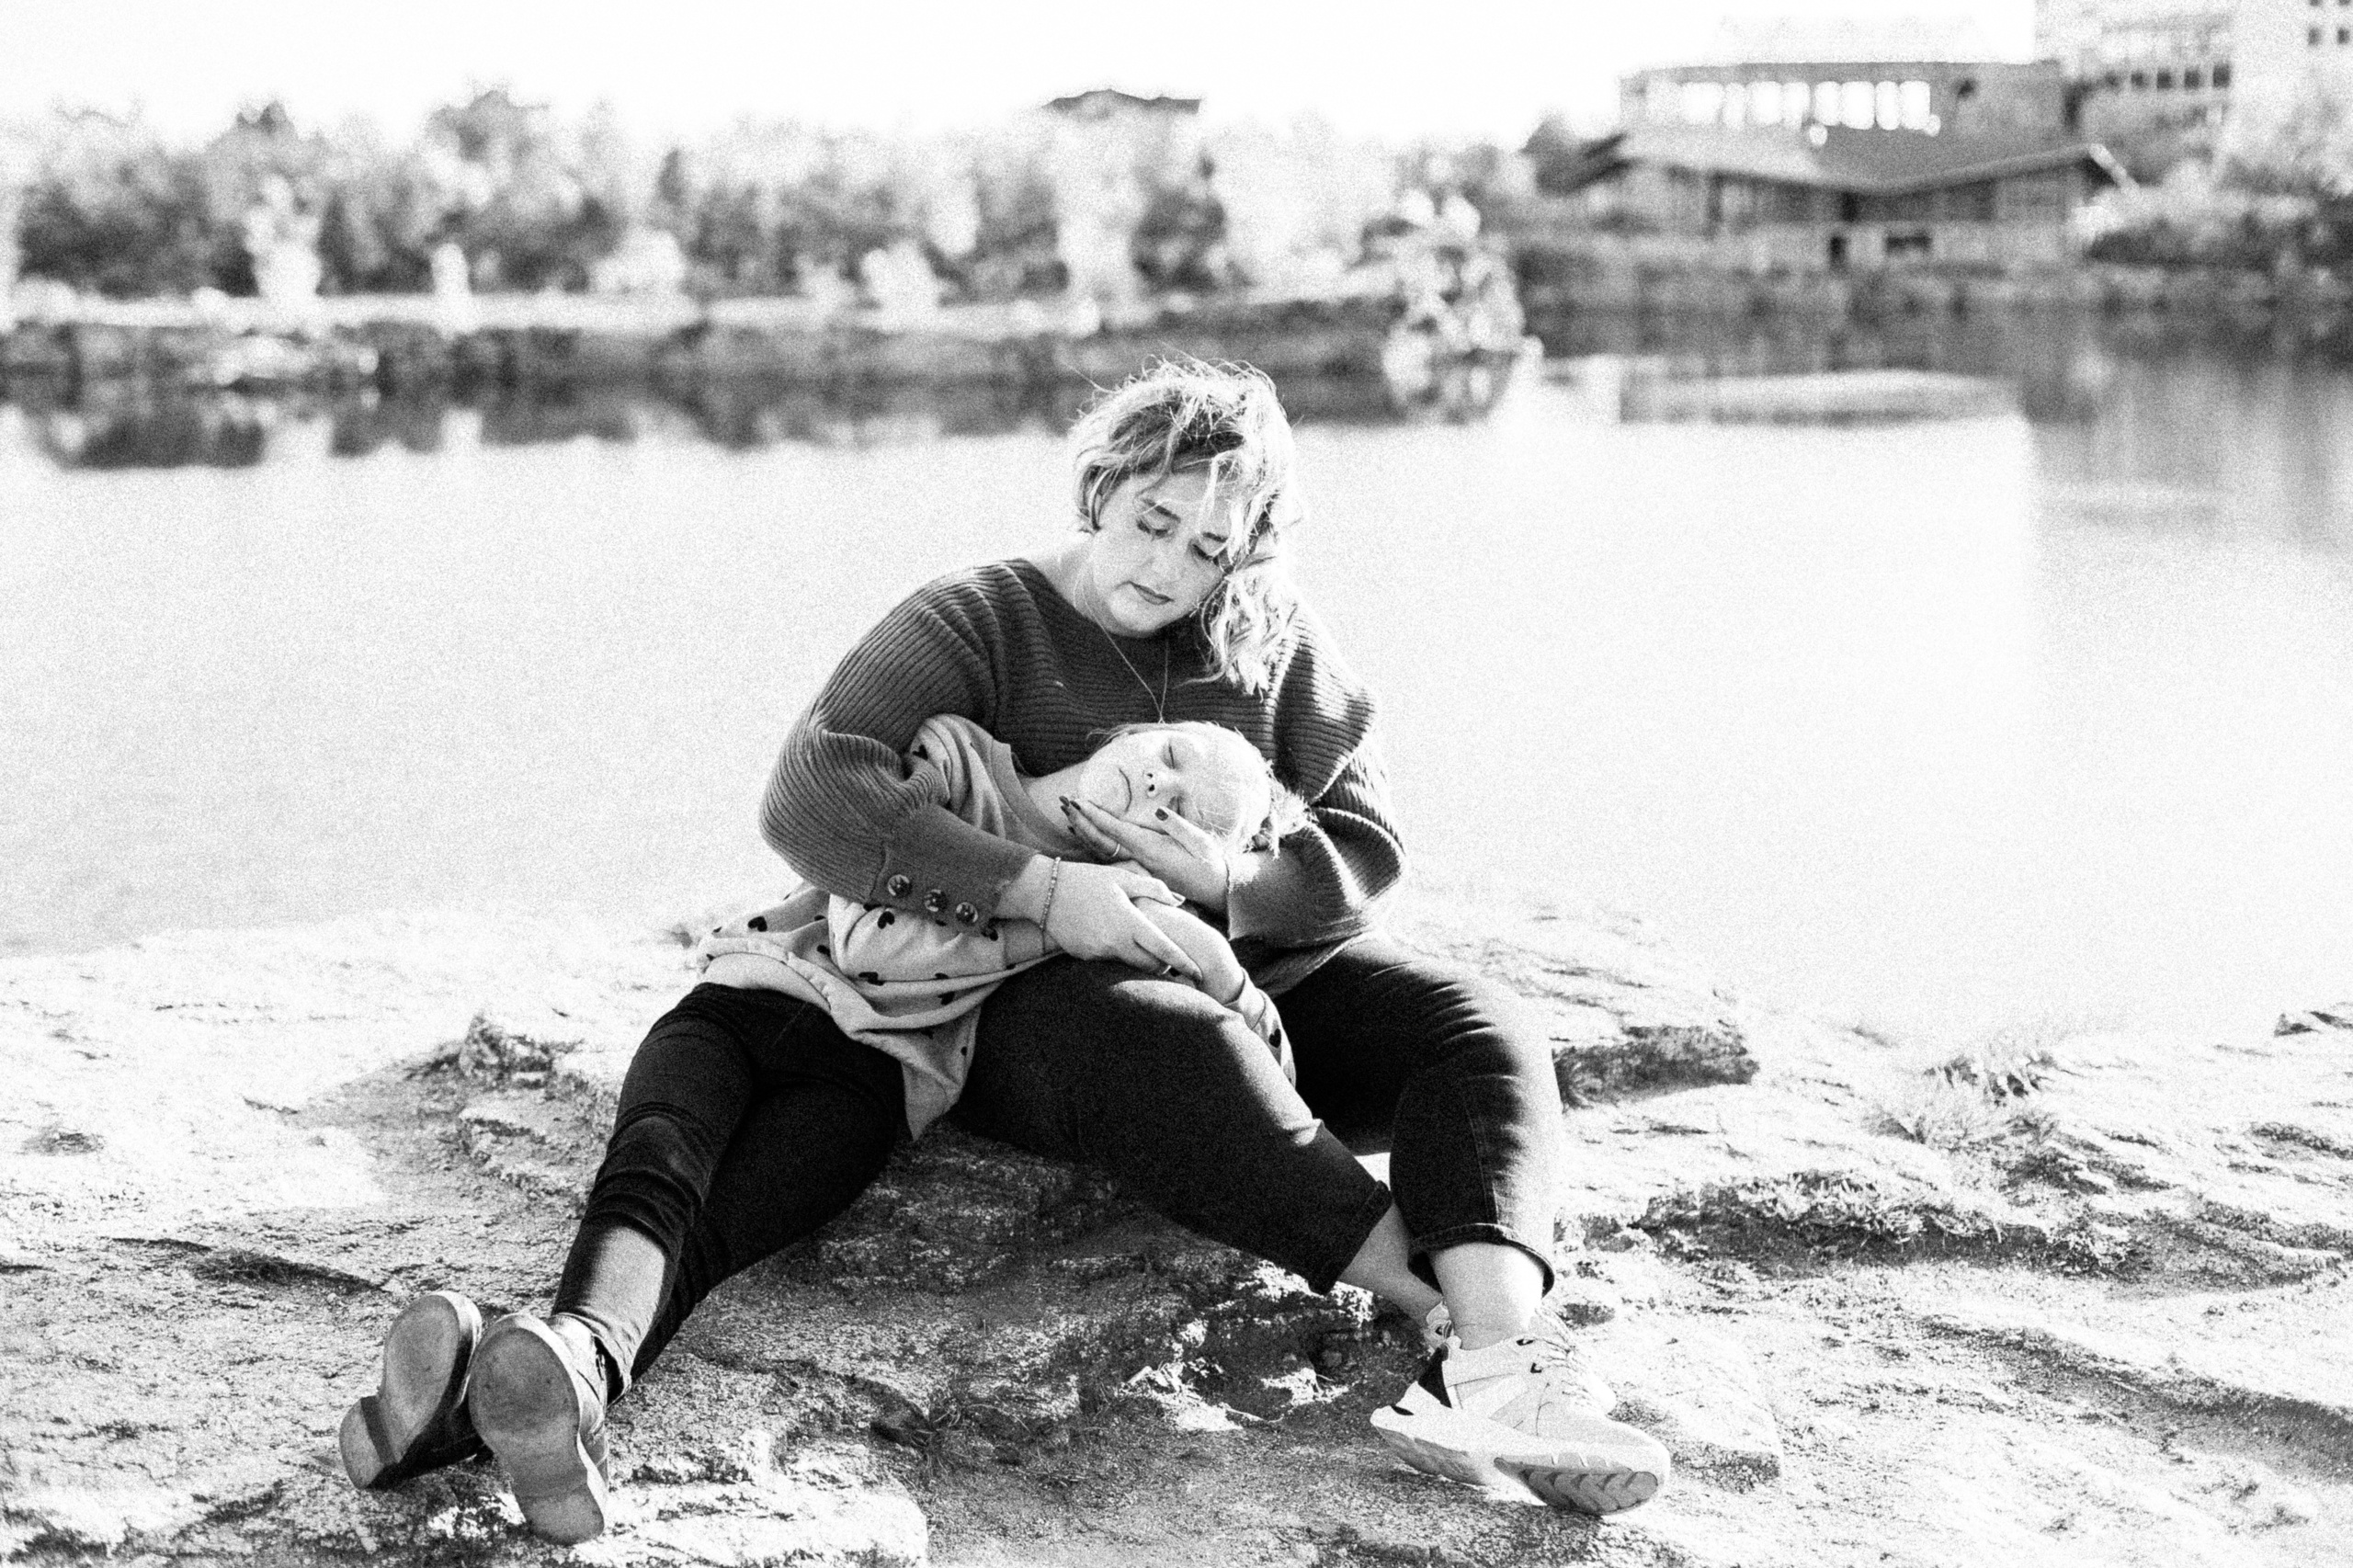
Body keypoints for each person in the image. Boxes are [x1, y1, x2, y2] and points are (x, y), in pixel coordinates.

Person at [335, 359, 1670, 1541]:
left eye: (1210, 547)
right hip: (1031, 999)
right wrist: (1050, 892)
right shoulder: (981, 618)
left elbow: (1372, 834)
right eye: (1153, 521)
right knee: (1165, 1040)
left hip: (1241, 963)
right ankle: (1433, 1312)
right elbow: (812, 793)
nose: (1168, 566)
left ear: (1247, 552)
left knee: (1477, 1023)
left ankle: (1500, 1362)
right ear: (1100, 485)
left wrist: (1238, 888)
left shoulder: (1268, 639)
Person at [691, 712, 1302, 1139]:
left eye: (1177, 814)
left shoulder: (1127, 912)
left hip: (877, 1082)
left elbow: (1267, 1090)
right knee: (659, 1167)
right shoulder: (956, 758)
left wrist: (1230, 979)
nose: (1156, 782)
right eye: (1170, 757)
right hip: (764, 994)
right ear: (1141, 731)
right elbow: (871, 947)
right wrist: (1057, 913)